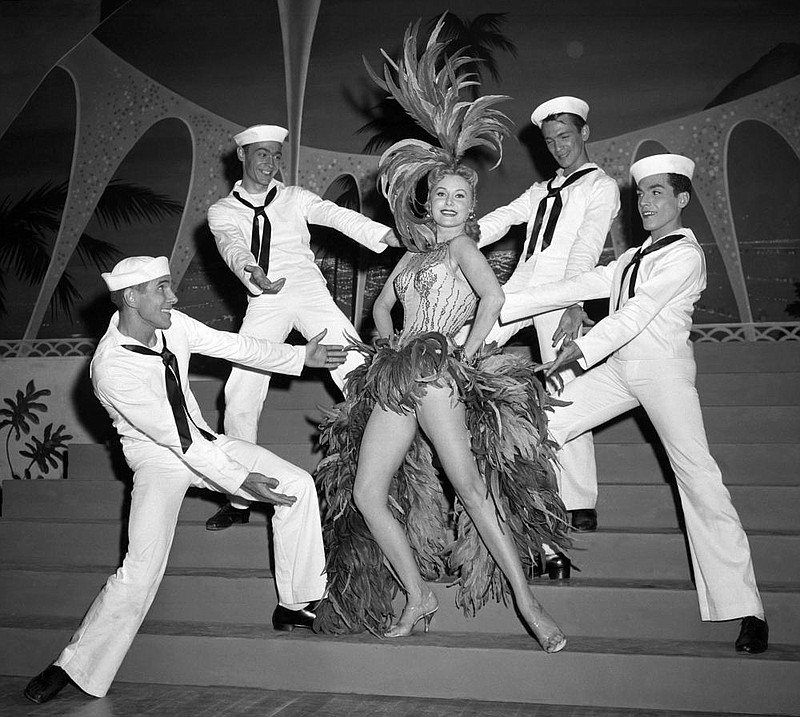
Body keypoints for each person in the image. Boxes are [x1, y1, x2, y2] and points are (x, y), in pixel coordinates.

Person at [314, 19, 569, 653]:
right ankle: (417, 593)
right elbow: (378, 316)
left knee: (474, 491)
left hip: (440, 377)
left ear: (470, 206)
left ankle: (527, 600)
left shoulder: (463, 250)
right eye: (442, 195)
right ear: (426, 202)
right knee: (369, 491)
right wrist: (390, 338)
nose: (451, 203)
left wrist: (466, 350)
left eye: (461, 195)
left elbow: (494, 298)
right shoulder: (412, 256)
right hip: (398, 379)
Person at [23, 256, 345, 704]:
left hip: (205, 441)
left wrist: (299, 356)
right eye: (162, 288)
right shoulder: (110, 367)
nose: (173, 297)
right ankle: (73, 666)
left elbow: (234, 345)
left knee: (296, 485)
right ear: (132, 297)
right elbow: (176, 440)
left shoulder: (172, 325)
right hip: (158, 460)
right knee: (140, 568)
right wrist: (240, 481)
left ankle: (297, 603)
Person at [500, 153, 769, 654]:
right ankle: (544, 545)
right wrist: (504, 304)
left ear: (682, 199)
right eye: (641, 194)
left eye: (657, 193)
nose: (645, 203)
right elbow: (591, 282)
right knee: (536, 426)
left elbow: (640, 312)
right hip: (619, 369)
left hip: (662, 371)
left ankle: (746, 608)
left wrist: (581, 348)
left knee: (699, 477)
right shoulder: (633, 255)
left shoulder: (685, 256)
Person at [205, 123, 399, 530]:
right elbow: (231, 245)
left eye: (276, 155)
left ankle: (386, 473)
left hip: (309, 292)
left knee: (355, 370)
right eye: (261, 154)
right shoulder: (223, 211)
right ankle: (239, 496)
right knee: (239, 392)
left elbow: (337, 216)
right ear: (242, 156)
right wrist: (252, 272)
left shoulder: (294, 197)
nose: (270, 163)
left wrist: (388, 235)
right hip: (264, 300)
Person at [476, 96, 621, 534]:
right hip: (522, 283)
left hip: (563, 289)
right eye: (550, 141)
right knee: (468, 344)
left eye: (565, 137)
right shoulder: (542, 190)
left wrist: (576, 304)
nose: (558, 147)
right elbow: (505, 218)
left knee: (565, 386)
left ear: (584, 135)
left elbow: (588, 245)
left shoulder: (601, 187)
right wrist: (464, 230)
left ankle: (577, 501)